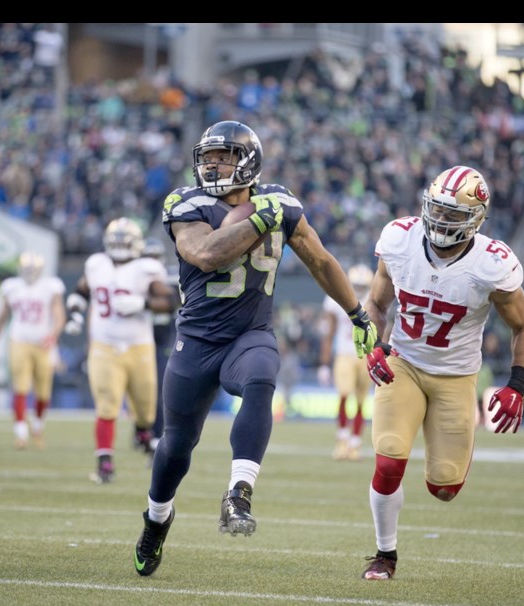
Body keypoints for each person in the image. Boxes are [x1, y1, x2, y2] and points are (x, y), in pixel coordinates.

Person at [134, 120, 379, 577]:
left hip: (249, 334)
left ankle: (239, 492)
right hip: (198, 342)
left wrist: (357, 313)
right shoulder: (185, 203)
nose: (211, 165)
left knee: (262, 377)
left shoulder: (281, 201)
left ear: (247, 160)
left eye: (222, 156)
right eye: (207, 157)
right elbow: (205, 254)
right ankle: (157, 519)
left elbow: (320, 260)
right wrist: (260, 219)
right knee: (176, 447)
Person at [357, 165, 524, 581]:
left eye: (454, 214)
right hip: (404, 362)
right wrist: (375, 346)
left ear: (476, 218)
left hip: (456, 377)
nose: (441, 220)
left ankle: (446, 476)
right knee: (388, 460)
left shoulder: (492, 264)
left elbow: (523, 325)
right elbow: (376, 305)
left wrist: (517, 384)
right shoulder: (400, 240)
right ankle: (385, 554)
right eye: (437, 209)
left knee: (444, 487)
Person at [64, 217, 177, 484]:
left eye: (124, 241)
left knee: (146, 409)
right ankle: (105, 463)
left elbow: (171, 301)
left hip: (139, 346)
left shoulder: (146, 268)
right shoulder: (96, 264)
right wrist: (75, 315)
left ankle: (142, 433)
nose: (119, 246)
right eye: (115, 241)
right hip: (104, 345)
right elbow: (80, 292)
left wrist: (143, 303)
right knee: (107, 404)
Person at [0, 251, 65, 450]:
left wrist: (53, 334)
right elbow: (1, 318)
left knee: (43, 391)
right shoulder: (12, 287)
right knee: (20, 387)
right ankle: (20, 433)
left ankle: (37, 427)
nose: (29, 273)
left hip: (42, 342)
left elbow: (58, 314)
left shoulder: (50, 287)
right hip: (18, 340)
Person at [318, 263, 374, 461]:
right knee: (343, 396)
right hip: (344, 353)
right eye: (355, 286)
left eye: (362, 286)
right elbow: (329, 332)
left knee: (360, 402)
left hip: (366, 355)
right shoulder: (335, 300)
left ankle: (355, 443)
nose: (359, 291)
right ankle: (342, 441)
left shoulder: (374, 300)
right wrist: (324, 363)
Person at [141, 236, 180, 451]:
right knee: (141, 389)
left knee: (161, 389)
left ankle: (156, 433)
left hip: (165, 338)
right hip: (140, 338)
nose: (151, 262)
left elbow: (176, 300)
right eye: (148, 257)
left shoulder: (168, 278)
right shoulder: (135, 277)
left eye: (154, 257)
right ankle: (142, 431)